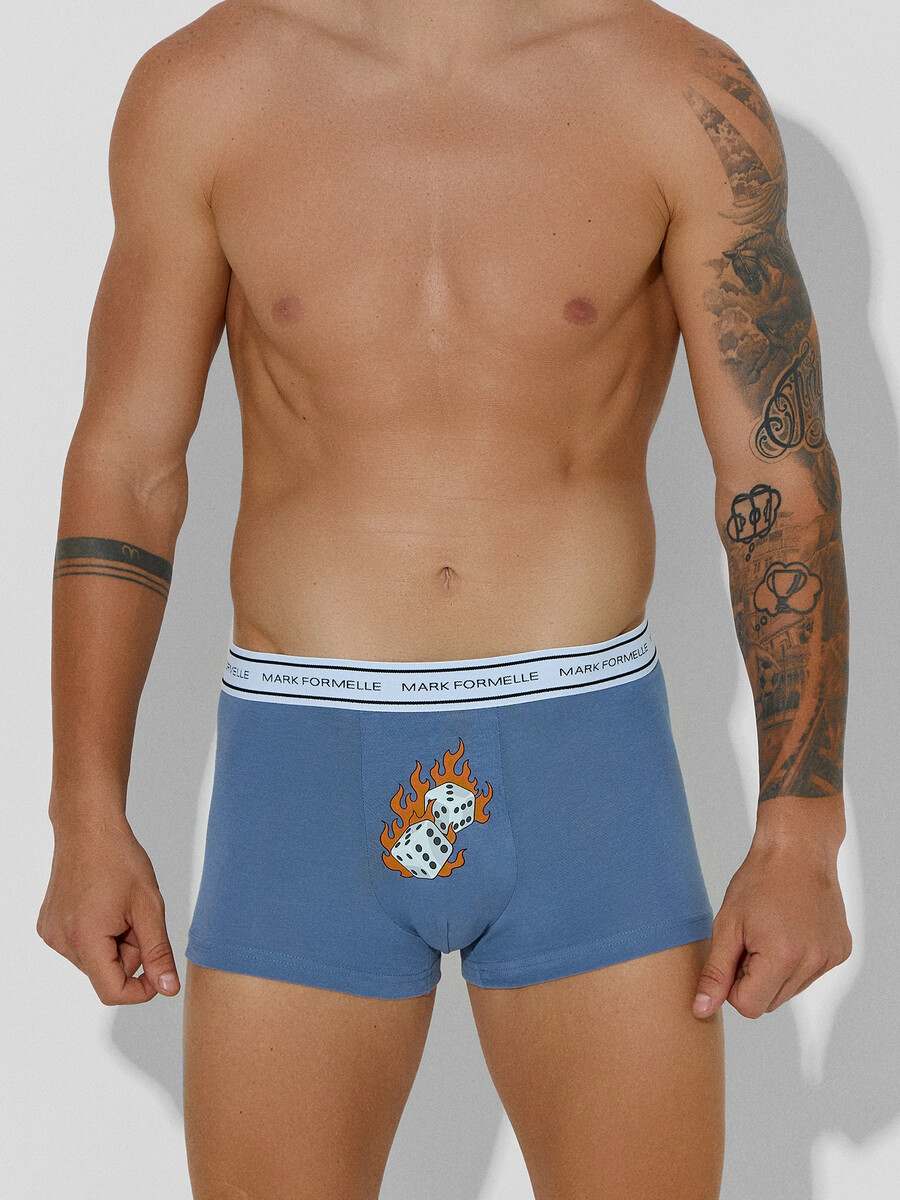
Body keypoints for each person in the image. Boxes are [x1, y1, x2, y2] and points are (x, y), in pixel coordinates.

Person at [36, 0, 852, 1196]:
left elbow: (775, 479)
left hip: (588, 772)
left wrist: (801, 830)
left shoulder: (675, 90)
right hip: (300, 773)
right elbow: (129, 465)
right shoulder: (207, 88)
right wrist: (84, 811)